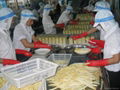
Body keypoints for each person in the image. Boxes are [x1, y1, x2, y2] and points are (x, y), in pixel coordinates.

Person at [86, 10, 120, 90]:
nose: (100, 26)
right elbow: (112, 47)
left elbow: (116, 59)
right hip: (111, 65)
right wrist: (100, 50)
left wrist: (97, 63)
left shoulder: (114, 35)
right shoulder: (113, 31)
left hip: (115, 69)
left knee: (114, 86)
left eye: (100, 24)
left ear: (105, 23)